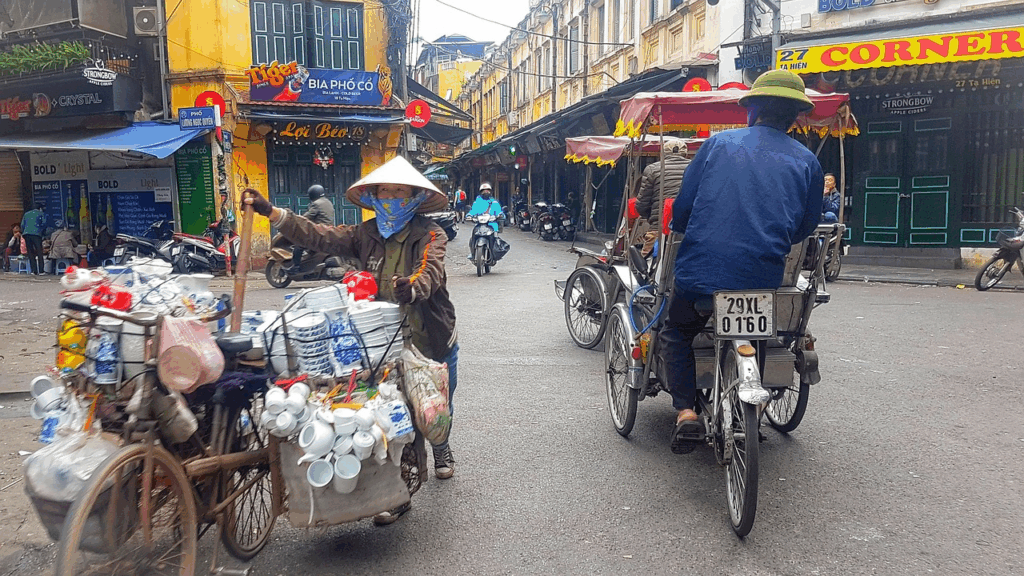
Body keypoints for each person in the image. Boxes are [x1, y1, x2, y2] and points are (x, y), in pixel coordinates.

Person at [243, 156, 459, 523]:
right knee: (394, 413)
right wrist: (273, 213)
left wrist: (414, 287)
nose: (391, 197)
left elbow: (431, 269)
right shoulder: (365, 234)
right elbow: (318, 235)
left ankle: (441, 445)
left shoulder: (431, 234)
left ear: (414, 197)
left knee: (433, 407)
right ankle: (398, 492)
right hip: (381, 341)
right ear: (374, 197)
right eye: (385, 191)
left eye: (399, 192)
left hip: (429, 335)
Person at [662, 69, 824, 454]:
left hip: (701, 270)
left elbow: (682, 210)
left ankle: (686, 412)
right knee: (758, 326)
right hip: (761, 272)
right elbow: (805, 226)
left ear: (752, 111)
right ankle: (758, 394)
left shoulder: (717, 145)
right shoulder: (807, 162)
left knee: (677, 330)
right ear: (794, 117)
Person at [288, 184, 335, 274]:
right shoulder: (328, 202)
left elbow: (307, 217)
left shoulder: (316, 204)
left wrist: (296, 220)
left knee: (299, 245)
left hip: (319, 231)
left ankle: (296, 267)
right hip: (329, 230)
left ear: (313, 194)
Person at [20, 201, 47, 275]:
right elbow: (44, 223)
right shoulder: (41, 213)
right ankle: (41, 271)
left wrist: (24, 232)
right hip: (36, 234)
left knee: (30, 253)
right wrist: (41, 231)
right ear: (39, 208)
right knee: (39, 252)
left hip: (26, 234)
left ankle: (33, 271)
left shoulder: (26, 214)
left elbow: (22, 225)